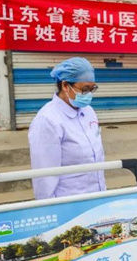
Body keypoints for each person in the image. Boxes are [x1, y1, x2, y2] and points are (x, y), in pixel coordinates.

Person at [28, 57, 104, 199]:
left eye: (92, 89)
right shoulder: (47, 120)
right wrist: (50, 210)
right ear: (65, 85)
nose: (88, 94)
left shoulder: (88, 111)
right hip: (69, 202)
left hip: (97, 197)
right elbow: (44, 176)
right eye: (84, 89)